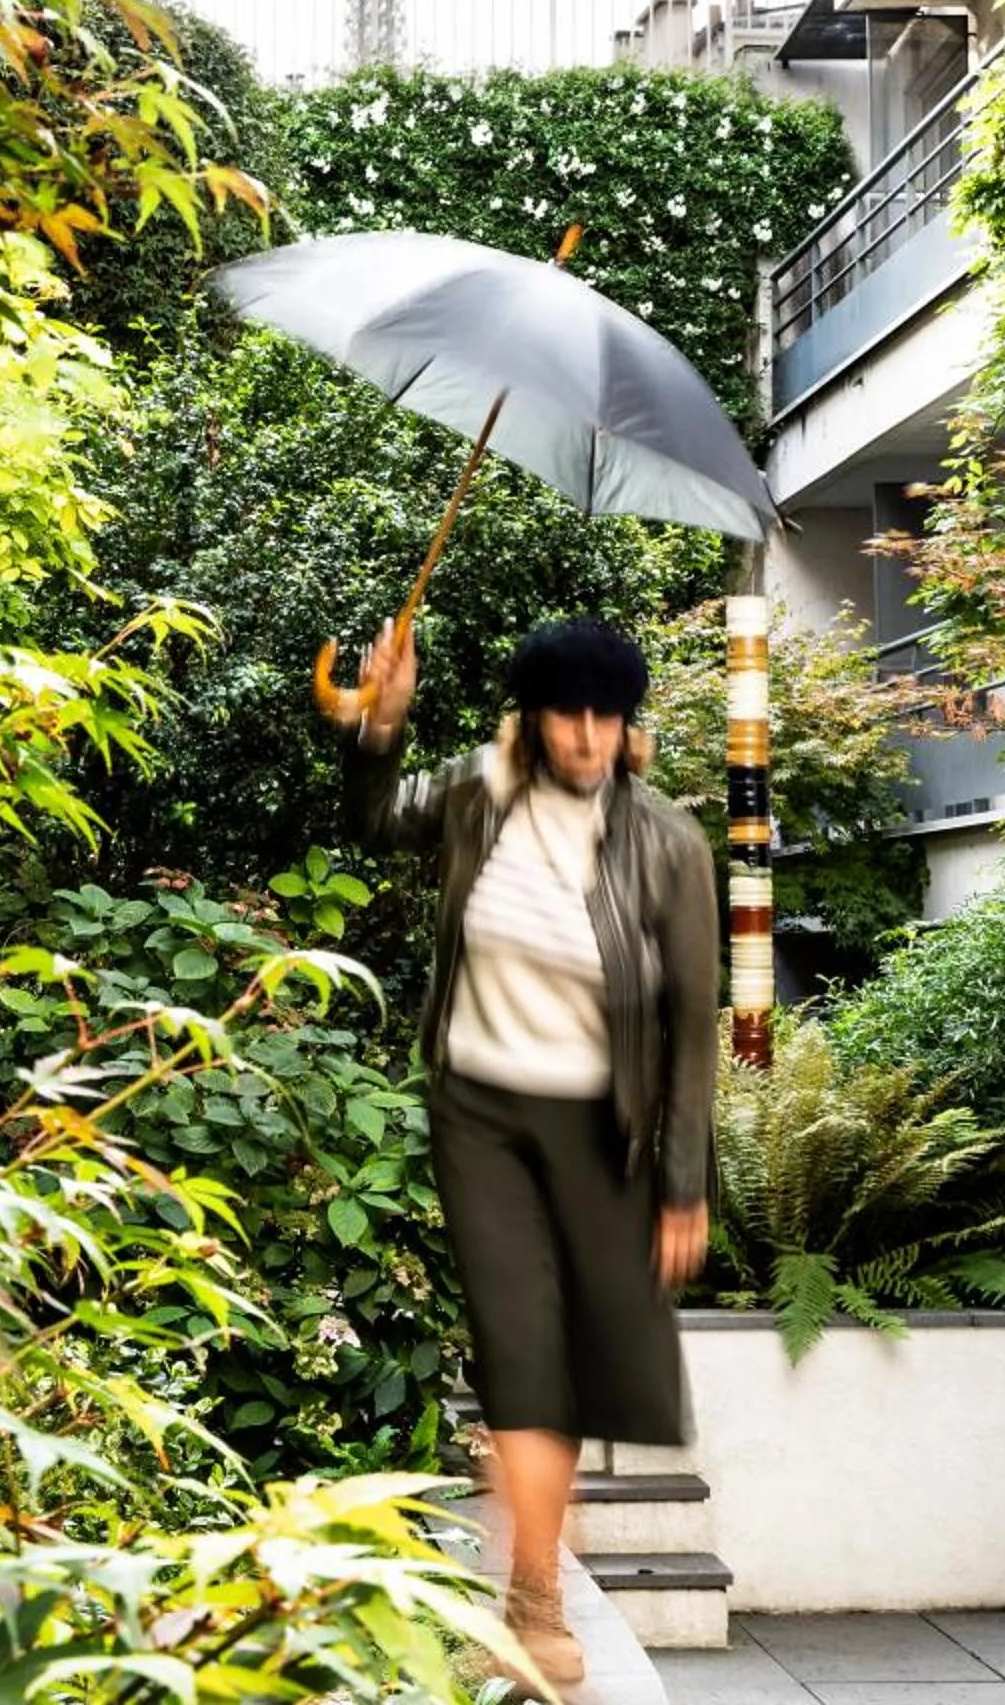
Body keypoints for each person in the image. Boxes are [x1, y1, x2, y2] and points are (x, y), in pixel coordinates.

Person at [328, 614, 718, 1691]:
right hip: (481, 1113)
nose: (588, 735)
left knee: (602, 1356)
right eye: (567, 714)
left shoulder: (669, 845)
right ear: (533, 718)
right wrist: (380, 725)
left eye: (607, 717)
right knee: (518, 1344)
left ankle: (537, 1560)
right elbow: (374, 821)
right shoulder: (475, 791)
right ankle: (535, 1596)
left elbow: (690, 1027)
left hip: (604, 1124)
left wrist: (683, 1184)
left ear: (629, 725)